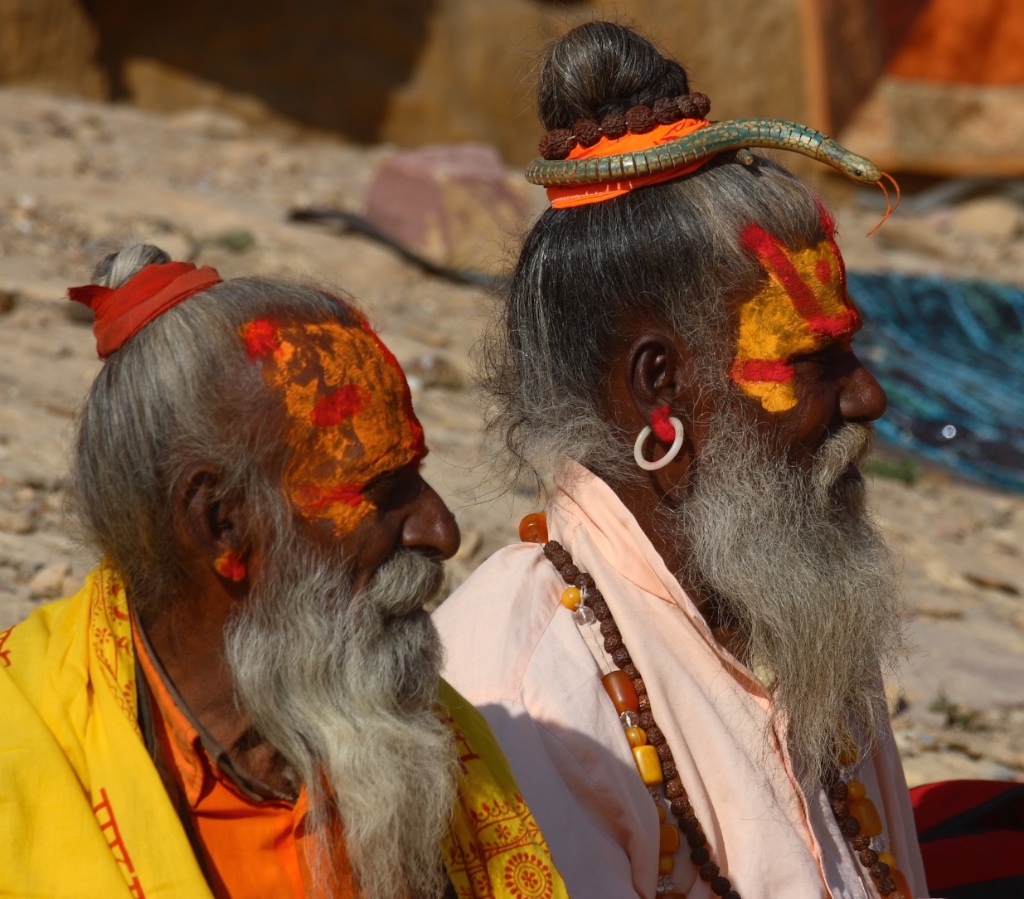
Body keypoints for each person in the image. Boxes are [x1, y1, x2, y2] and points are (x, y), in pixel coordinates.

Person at [435, 21, 928, 899]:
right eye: (818, 362)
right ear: (659, 390)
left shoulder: (803, 608)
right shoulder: (530, 684)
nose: (867, 400)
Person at [0, 246, 567, 899]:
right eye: (382, 490)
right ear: (221, 522)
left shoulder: (422, 734)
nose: (441, 532)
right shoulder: (23, 749)